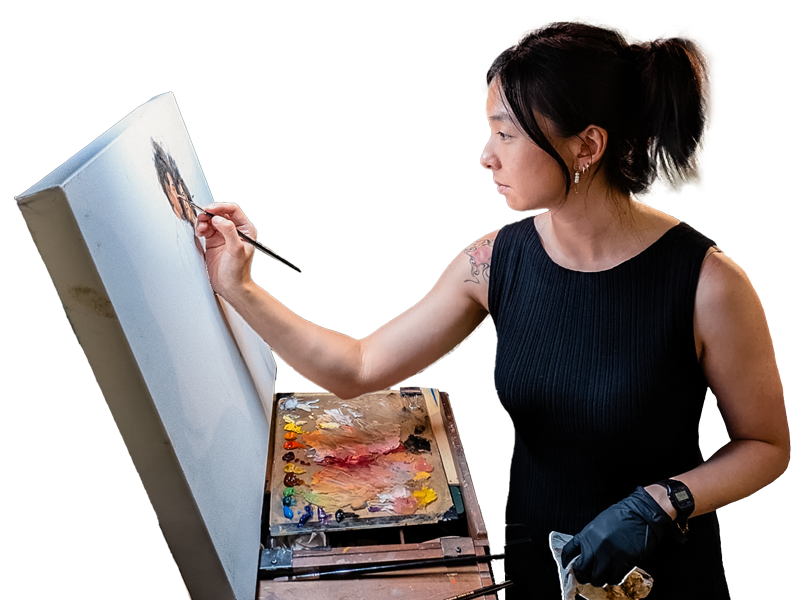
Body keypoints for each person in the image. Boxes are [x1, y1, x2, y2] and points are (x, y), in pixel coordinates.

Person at [194, 21, 789, 599]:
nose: (486, 157)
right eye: (488, 132)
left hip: (664, 581)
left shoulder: (709, 283)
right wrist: (240, 287)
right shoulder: (493, 263)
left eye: (506, 134)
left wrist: (658, 503)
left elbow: (766, 445)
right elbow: (357, 367)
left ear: (586, 146)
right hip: (536, 576)